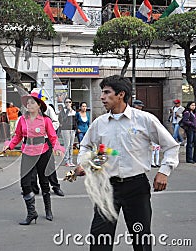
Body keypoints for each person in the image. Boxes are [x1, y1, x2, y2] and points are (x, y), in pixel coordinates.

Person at [76, 75, 179, 251]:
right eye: (102, 92)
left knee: (141, 240)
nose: (102, 97)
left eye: (107, 92)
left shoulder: (144, 119)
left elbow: (171, 146)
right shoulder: (100, 123)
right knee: (99, 241)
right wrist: (83, 162)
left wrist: (164, 171)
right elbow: (85, 145)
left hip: (136, 187)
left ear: (121, 94)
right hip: (106, 187)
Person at [3, 90, 64, 225]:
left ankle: (48, 210)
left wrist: (57, 148)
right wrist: (10, 146)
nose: (29, 105)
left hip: (43, 152)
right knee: (25, 183)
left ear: (39, 106)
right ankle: (32, 213)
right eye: (27, 103)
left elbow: (53, 137)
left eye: (32, 103)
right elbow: (18, 136)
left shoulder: (45, 120)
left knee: (44, 182)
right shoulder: (22, 120)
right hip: (27, 152)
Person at [29, 89, 65, 197]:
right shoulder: (28, 110)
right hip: (32, 142)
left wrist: (46, 130)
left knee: (49, 165)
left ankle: (55, 186)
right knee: (32, 166)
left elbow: (56, 122)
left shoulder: (48, 109)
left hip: (45, 140)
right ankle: (33, 188)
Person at [133, 100, 161, 168]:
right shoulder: (131, 113)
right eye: (139, 106)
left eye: (141, 106)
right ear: (135, 106)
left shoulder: (144, 114)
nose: (140, 108)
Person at [58, 97, 77, 167]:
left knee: (71, 146)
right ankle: (66, 161)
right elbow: (63, 120)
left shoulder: (74, 111)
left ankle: (71, 160)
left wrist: (76, 128)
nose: (68, 103)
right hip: (65, 129)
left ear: (71, 103)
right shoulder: (63, 111)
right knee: (67, 145)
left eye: (69, 102)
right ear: (64, 103)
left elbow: (76, 120)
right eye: (66, 102)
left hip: (72, 129)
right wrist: (68, 111)